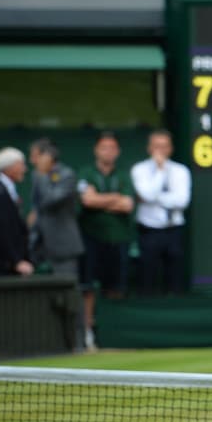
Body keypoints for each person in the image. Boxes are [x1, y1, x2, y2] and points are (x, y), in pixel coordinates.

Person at [78, 131, 136, 350]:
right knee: (89, 286)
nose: (108, 152)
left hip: (118, 239)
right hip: (91, 239)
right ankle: (88, 332)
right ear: (96, 150)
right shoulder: (86, 173)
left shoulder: (123, 175)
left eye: (112, 148)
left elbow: (128, 205)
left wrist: (100, 199)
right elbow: (87, 201)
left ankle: (115, 333)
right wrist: (114, 198)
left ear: (118, 151)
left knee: (116, 287)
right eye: (104, 147)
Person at [131, 129, 192, 296]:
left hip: (174, 229)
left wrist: (156, 197)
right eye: (157, 146)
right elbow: (147, 195)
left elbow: (182, 201)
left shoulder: (181, 171)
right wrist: (160, 171)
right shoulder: (139, 169)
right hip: (149, 229)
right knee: (147, 275)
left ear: (171, 148)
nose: (161, 151)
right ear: (149, 148)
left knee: (174, 276)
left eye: (164, 146)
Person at [30, 138, 84, 282]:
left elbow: (49, 200)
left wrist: (42, 175)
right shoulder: (36, 174)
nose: (32, 161)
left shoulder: (67, 175)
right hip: (40, 246)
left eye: (35, 156)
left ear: (48, 156)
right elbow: (37, 205)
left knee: (66, 293)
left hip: (63, 247)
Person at [0, 147, 34, 277]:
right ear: (10, 167)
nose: (24, 169)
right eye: (21, 165)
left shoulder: (7, 190)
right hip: (2, 265)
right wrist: (16, 261)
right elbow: (0, 230)